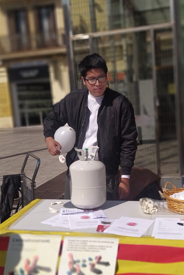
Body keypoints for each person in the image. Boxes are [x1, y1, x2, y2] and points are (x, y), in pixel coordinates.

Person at [43, 53, 138, 200]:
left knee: (107, 217)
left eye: (101, 77)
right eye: (92, 79)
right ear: (84, 80)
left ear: (107, 77)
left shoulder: (120, 104)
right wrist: (49, 137)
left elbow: (128, 141)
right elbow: (52, 117)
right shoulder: (73, 100)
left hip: (106, 174)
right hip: (77, 170)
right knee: (75, 214)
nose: (98, 83)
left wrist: (125, 178)